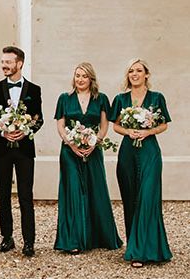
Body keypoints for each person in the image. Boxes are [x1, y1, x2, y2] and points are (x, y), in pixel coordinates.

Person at [109, 59, 172, 267]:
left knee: (147, 197)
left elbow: (164, 125)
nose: (134, 74)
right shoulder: (120, 99)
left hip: (150, 152)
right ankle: (134, 245)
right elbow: (115, 126)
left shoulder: (157, 97)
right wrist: (129, 131)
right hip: (128, 152)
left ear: (147, 74)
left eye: (138, 71)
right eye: (130, 71)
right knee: (131, 198)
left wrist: (148, 131)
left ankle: (144, 251)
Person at [53, 62, 121, 253]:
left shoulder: (101, 98)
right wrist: (71, 143)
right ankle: (73, 240)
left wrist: (95, 142)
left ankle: (99, 236)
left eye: (84, 76)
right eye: (77, 75)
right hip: (69, 151)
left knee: (95, 189)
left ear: (91, 78)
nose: (80, 79)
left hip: (93, 150)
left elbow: (104, 124)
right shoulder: (64, 98)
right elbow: (60, 124)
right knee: (73, 190)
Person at [0, 45, 43, 257]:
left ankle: (29, 242)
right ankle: (7, 238)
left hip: (25, 150)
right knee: (3, 195)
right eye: (2, 62)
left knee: (26, 196)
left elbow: (39, 118)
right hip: (1, 150)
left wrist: (25, 131)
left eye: (8, 62)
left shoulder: (34, 90)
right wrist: (3, 133)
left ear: (19, 63)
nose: (4, 65)